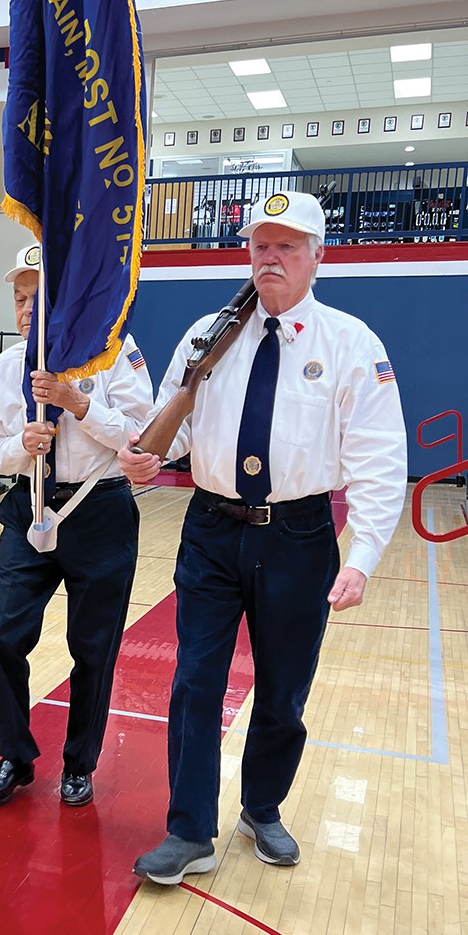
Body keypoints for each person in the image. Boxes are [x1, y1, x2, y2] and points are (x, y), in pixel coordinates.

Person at [122, 192, 407, 883]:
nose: (270, 257)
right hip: (212, 529)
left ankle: (262, 806)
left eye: (286, 246)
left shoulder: (351, 343)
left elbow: (379, 457)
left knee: (282, 690)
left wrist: (362, 555)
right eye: (260, 245)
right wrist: (147, 455)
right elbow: (174, 421)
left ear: (317, 257)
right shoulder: (207, 333)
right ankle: (189, 830)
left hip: (300, 534)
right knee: (194, 682)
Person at [0, 245, 152, 808]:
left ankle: (80, 763)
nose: (27, 310)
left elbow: (139, 435)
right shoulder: (6, 367)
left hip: (98, 512)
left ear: (66, 300)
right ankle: (14, 755)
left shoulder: (114, 354)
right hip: (30, 508)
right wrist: (18, 446)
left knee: (93, 647)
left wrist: (78, 403)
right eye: (19, 299)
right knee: (1, 638)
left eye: (37, 297)